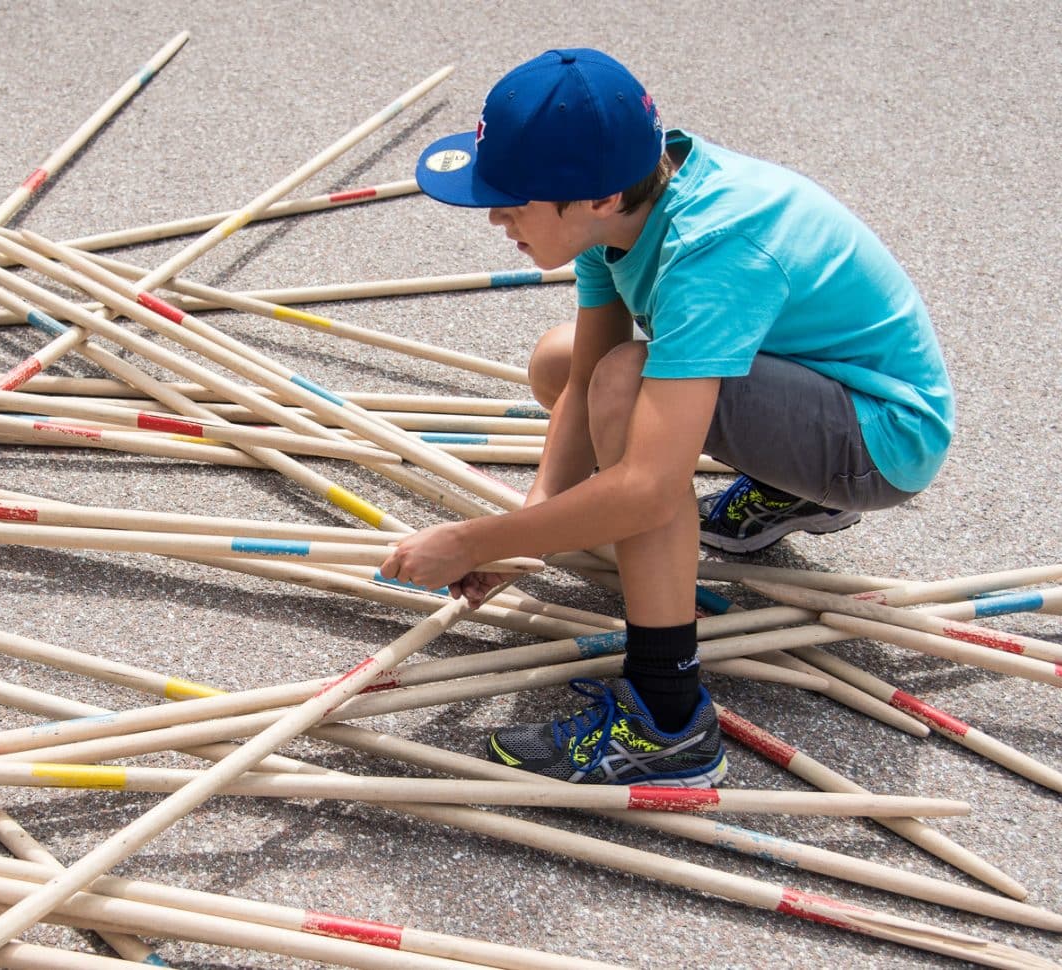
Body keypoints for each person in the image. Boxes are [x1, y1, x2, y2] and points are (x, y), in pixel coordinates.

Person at [378, 49, 954, 787]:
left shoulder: (710, 249)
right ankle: (791, 491)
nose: (495, 215)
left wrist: (469, 540)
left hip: (880, 439)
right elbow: (581, 376)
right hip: (818, 390)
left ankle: (669, 720)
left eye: (513, 199)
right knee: (567, 365)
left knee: (627, 386)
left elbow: (648, 487)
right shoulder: (622, 205)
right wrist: (532, 529)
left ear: (596, 197)